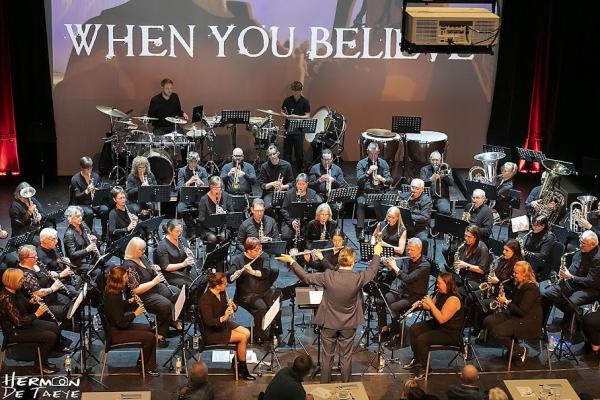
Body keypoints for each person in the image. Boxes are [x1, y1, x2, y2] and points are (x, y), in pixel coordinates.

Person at [276, 242, 384, 383]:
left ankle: (325, 386)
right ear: (352, 262)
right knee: (346, 357)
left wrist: (292, 261)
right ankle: (346, 385)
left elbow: (306, 277)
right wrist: (377, 253)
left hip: (329, 323)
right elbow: (372, 270)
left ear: (339, 260)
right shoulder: (358, 278)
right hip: (349, 324)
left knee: (326, 357)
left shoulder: (328, 276)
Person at [404, 272, 464, 380]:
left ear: (447, 284)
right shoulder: (440, 292)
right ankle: (417, 359)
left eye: (439, 283)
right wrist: (421, 304)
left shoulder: (453, 300)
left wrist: (431, 305)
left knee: (422, 339)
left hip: (449, 332)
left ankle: (426, 368)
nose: (437, 285)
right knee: (414, 329)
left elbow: (441, 319)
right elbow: (430, 306)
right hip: (438, 325)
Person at [123, 237, 181, 348]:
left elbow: (149, 272)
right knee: (166, 305)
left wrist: (154, 269)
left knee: (176, 293)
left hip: (153, 286)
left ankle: (169, 321)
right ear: (133, 250)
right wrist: (155, 281)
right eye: (141, 249)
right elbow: (135, 289)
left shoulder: (142, 257)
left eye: (144, 249)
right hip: (141, 294)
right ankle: (159, 334)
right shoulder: (129, 266)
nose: (144, 251)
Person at [0, 268, 59, 374]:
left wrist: (31, 301)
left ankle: (43, 359)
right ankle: (40, 365)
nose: (23, 281)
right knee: (50, 336)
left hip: (25, 323)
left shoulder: (16, 291)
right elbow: (19, 321)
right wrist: (37, 314)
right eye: (21, 279)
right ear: (13, 281)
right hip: (15, 331)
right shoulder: (6, 299)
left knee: (54, 327)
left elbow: (23, 305)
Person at [197, 272, 255, 380]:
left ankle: (236, 362)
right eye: (224, 283)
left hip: (223, 324)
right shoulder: (205, 300)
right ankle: (243, 370)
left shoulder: (222, 293)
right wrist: (224, 316)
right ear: (218, 286)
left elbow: (227, 309)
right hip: (212, 332)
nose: (227, 285)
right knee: (242, 337)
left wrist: (233, 307)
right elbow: (209, 322)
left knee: (247, 332)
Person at [103, 266, 159, 376]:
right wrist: (135, 314)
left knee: (150, 329)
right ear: (119, 279)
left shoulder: (114, 292)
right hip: (116, 333)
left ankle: (143, 360)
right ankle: (148, 368)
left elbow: (118, 308)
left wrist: (129, 302)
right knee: (150, 337)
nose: (127, 278)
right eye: (125, 276)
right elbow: (120, 322)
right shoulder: (113, 297)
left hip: (117, 328)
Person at [542, 230, 600, 333]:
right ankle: (542, 325)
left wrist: (571, 277)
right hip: (572, 281)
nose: (580, 245)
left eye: (583, 244)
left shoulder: (597, 259)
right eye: (580, 241)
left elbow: (591, 281)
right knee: (548, 294)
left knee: (571, 303)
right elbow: (574, 266)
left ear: (593, 245)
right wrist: (564, 272)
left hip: (588, 288)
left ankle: (564, 326)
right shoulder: (581, 250)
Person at [483, 261, 542, 362]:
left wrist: (506, 302)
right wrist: (505, 299)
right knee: (488, 321)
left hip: (527, 321)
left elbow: (522, 312)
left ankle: (520, 350)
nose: (513, 275)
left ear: (525, 275)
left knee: (497, 332)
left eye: (516, 273)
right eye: (513, 272)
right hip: (515, 314)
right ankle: (511, 346)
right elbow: (514, 301)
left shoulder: (531, 288)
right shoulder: (519, 283)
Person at [379, 238, 431, 347]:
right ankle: (384, 329)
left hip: (416, 296)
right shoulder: (408, 259)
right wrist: (390, 266)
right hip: (402, 291)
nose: (409, 252)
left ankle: (395, 335)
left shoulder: (425, 265)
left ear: (419, 250)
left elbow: (407, 278)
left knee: (393, 307)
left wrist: (395, 267)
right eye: (408, 249)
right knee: (380, 301)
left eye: (412, 250)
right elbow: (399, 273)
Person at [227, 238, 281, 343]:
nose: (259, 251)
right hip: (247, 294)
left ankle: (276, 332)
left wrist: (252, 271)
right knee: (262, 308)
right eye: (256, 250)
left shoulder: (263, 256)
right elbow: (230, 278)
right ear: (248, 250)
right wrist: (235, 275)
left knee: (276, 302)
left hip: (264, 290)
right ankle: (259, 335)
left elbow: (265, 273)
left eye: (260, 248)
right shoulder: (238, 260)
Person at [16, 245, 71, 327]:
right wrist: (53, 288)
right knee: (62, 309)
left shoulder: (36, 263)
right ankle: (57, 328)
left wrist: (52, 275)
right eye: (34, 256)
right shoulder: (26, 274)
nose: (37, 257)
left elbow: (45, 273)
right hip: (41, 302)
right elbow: (37, 293)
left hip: (51, 295)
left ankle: (65, 324)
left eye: (36, 255)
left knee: (69, 301)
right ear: (25, 259)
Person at [355, 142, 392, 240]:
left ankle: (383, 228)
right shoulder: (361, 163)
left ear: (379, 152)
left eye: (375, 154)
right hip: (365, 192)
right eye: (371, 154)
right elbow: (359, 181)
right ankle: (360, 230)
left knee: (383, 204)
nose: (373, 156)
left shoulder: (383, 163)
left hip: (378, 191)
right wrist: (368, 172)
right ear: (367, 152)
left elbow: (389, 180)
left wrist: (383, 179)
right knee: (360, 203)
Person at [69, 156, 109, 240]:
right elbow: (76, 197)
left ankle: (105, 234)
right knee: (89, 213)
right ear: (82, 168)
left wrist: (98, 191)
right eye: (87, 169)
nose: (89, 171)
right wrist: (86, 191)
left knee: (105, 209)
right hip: (82, 203)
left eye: (90, 168)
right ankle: (89, 235)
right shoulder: (75, 179)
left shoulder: (95, 176)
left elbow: (100, 189)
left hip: (95, 201)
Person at [281, 173, 322, 242]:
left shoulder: (312, 194)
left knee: (311, 234)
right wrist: (292, 222)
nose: (301, 187)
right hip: (291, 220)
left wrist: (304, 219)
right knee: (286, 236)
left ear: (307, 184)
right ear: (296, 184)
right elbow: (284, 209)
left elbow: (314, 210)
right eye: (299, 184)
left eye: (303, 184)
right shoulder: (289, 193)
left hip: (306, 221)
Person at [176, 151, 209, 237]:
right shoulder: (182, 171)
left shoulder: (202, 170)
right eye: (191, 162)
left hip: (199, 198)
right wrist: (190, 181)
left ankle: (202, 226)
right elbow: (180, 188)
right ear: (188, 161)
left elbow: (207, 187)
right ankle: (191, 225)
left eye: (195, 162)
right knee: (180, 209)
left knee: (206, 208)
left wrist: (200, 182)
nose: (194, 164)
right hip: (186, 198)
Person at [154, 219, 195, 287]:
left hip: (183, 268)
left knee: (198, 277)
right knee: (190, 284)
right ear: (169, 230)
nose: (179, 234)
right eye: (177, 231)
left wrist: (190, 254)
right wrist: (183, 264)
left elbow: (187, 256)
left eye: (180, 231)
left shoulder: (182, 239)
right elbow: (166, 267)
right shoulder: (162, 246)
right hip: (170, 272)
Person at [281, 80, 310, 174]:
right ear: (292, 91)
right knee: (287, 153)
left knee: (299, 154)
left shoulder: (305, 101)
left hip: (299, 131)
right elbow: (282, 111)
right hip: (288, 130)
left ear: (301, 90)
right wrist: (286, 116)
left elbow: (307, 115)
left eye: (297, 91)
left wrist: (296, 117)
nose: (296, 93)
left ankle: (299, 173)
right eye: (294, 91)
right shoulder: (287, 100)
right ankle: (287, 172)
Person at [197, 176, 233, 248]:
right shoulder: (204, 199)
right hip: (208, 228)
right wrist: (212, 216)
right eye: (214, 188)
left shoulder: (226, 196)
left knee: (223, 237)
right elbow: (201, 218)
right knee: (212, 238)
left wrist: (224, 212)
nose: (217, 190)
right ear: (210, 187)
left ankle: (223, 256)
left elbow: (232, 212)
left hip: (223, 226)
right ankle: (210, 255)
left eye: (219, 187)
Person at [63, 205, 100, 275]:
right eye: (77, 216)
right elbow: (72, 254)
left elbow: (91, 236)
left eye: (81, 215)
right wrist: (86, 250)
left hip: (90, 258)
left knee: (108, 266)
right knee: (98, 271)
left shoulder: (83, 225)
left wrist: (94, 239)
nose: (80, 218)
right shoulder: (69, 234)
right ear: (70, 218)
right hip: (79, 264)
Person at [257, 144, 293, 215]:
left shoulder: (287, 165)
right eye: (270, 155)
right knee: (267, 208)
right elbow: (262, 185)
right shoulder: (264, 166)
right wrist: (272, 184)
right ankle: (273, 223)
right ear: (268, 156)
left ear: (278, 153)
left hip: (283, 192)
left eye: (274, 154)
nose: (272, 156)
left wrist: (283, 187)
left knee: (288, 207)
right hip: (269, 193)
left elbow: (292, 182)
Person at [401, 178, 433, 254]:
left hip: (419, 228)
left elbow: (425, 217)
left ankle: (423, 260)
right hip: (405, 226)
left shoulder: (426, 200)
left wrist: (408, 216)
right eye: (412, 187)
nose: (413, 190)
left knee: (423, 240)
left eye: (416, 188)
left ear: (422, 189)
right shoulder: (404, 196)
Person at [522, 216, 556, 281]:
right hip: (529, 260)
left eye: (536, 226)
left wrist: (527, 253)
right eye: (533, 225)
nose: (533, 227)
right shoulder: (531, 233)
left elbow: (543, 254)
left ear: (543, 226)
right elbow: (526, 247)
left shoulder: (549, 237)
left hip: (540, 265)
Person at [420, 151, 453, 215]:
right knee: (421, 210)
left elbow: (451, 183)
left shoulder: (446, 168)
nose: (435, 162)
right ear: (430, 160)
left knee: (445, 210)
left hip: (442, 197)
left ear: (440, 160)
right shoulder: (424, 169)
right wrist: (430, 180)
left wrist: (445, 177)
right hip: (427, 197)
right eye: (433, 160)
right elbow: (421, 184)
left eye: (437, 160)